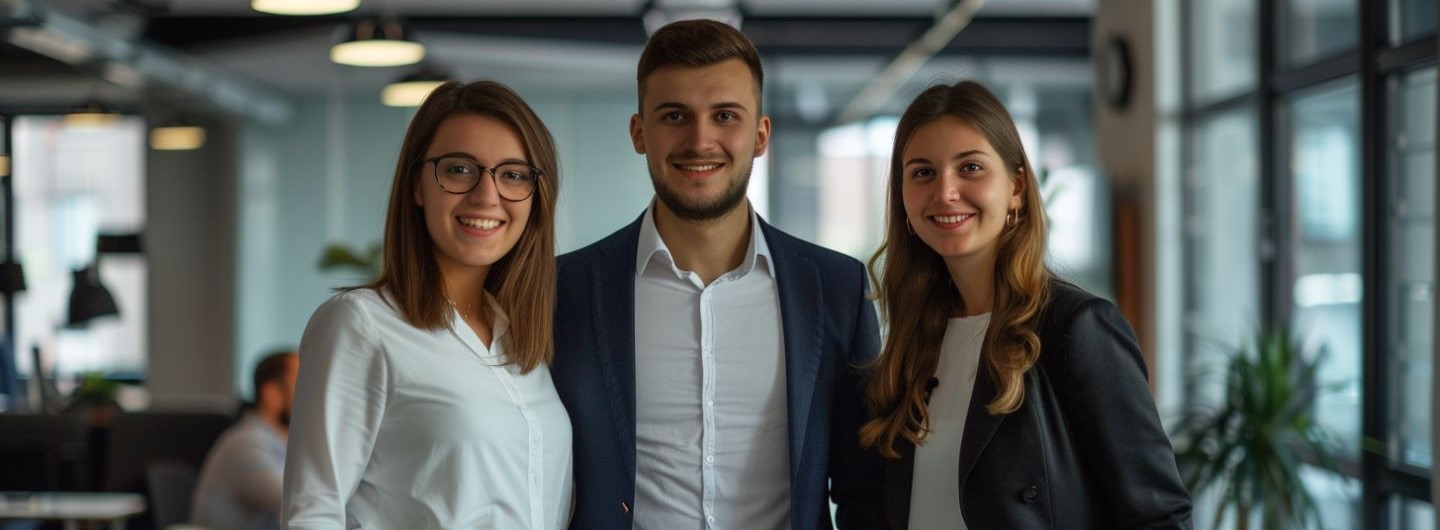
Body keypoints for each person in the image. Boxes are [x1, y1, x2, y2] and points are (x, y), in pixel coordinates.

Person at [551, 19, 880, 530]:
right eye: (674, 115)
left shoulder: (836, 288)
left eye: (725, 115)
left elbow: (866, 487)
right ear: (639, 133)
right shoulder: (562, 289)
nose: (699, 139)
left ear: (761, 135)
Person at [858, 80, 1193, 529]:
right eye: (923, 173)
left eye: (970, 168)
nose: (945, 192)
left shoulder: (1076, 328)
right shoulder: (909, 342)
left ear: (1016, 186)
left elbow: (1161, 517)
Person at [282, 80, 570, 529]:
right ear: (417, 184)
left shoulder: (520, 338)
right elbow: (313, 514)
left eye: (513, 174)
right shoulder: (361, 324)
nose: (486, 195)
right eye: (459, 169)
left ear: (537, 196)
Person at [191, 350, 298, 530]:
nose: (312, 397)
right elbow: (299, 501)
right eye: (301, 385)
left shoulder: (282, 444)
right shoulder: (247, 443)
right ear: (272, 394)